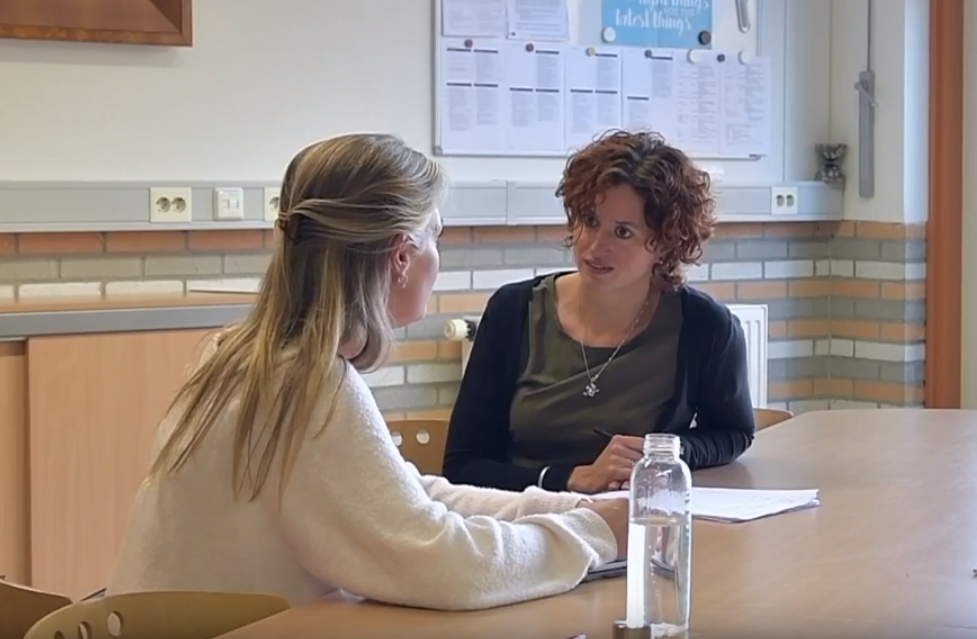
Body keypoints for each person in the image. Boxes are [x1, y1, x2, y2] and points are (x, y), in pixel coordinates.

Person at [105, 133, 627, 612]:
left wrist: (573, 507)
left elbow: (406, 497)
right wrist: (593, 533)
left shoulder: (239, 356)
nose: (437, 257)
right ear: (401, 256)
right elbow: (446, 566)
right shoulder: (308, 388)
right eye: (435, 236)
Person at [442, 130, 755, 495]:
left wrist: (662, 453)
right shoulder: (513, 311)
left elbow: (733, 433)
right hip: (524, 515)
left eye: (622, 232)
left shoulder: (706, 326)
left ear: (665, 242)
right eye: (590, 221)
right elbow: (463, 466)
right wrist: (572, 478)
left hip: (631, 514)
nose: (594, 247)